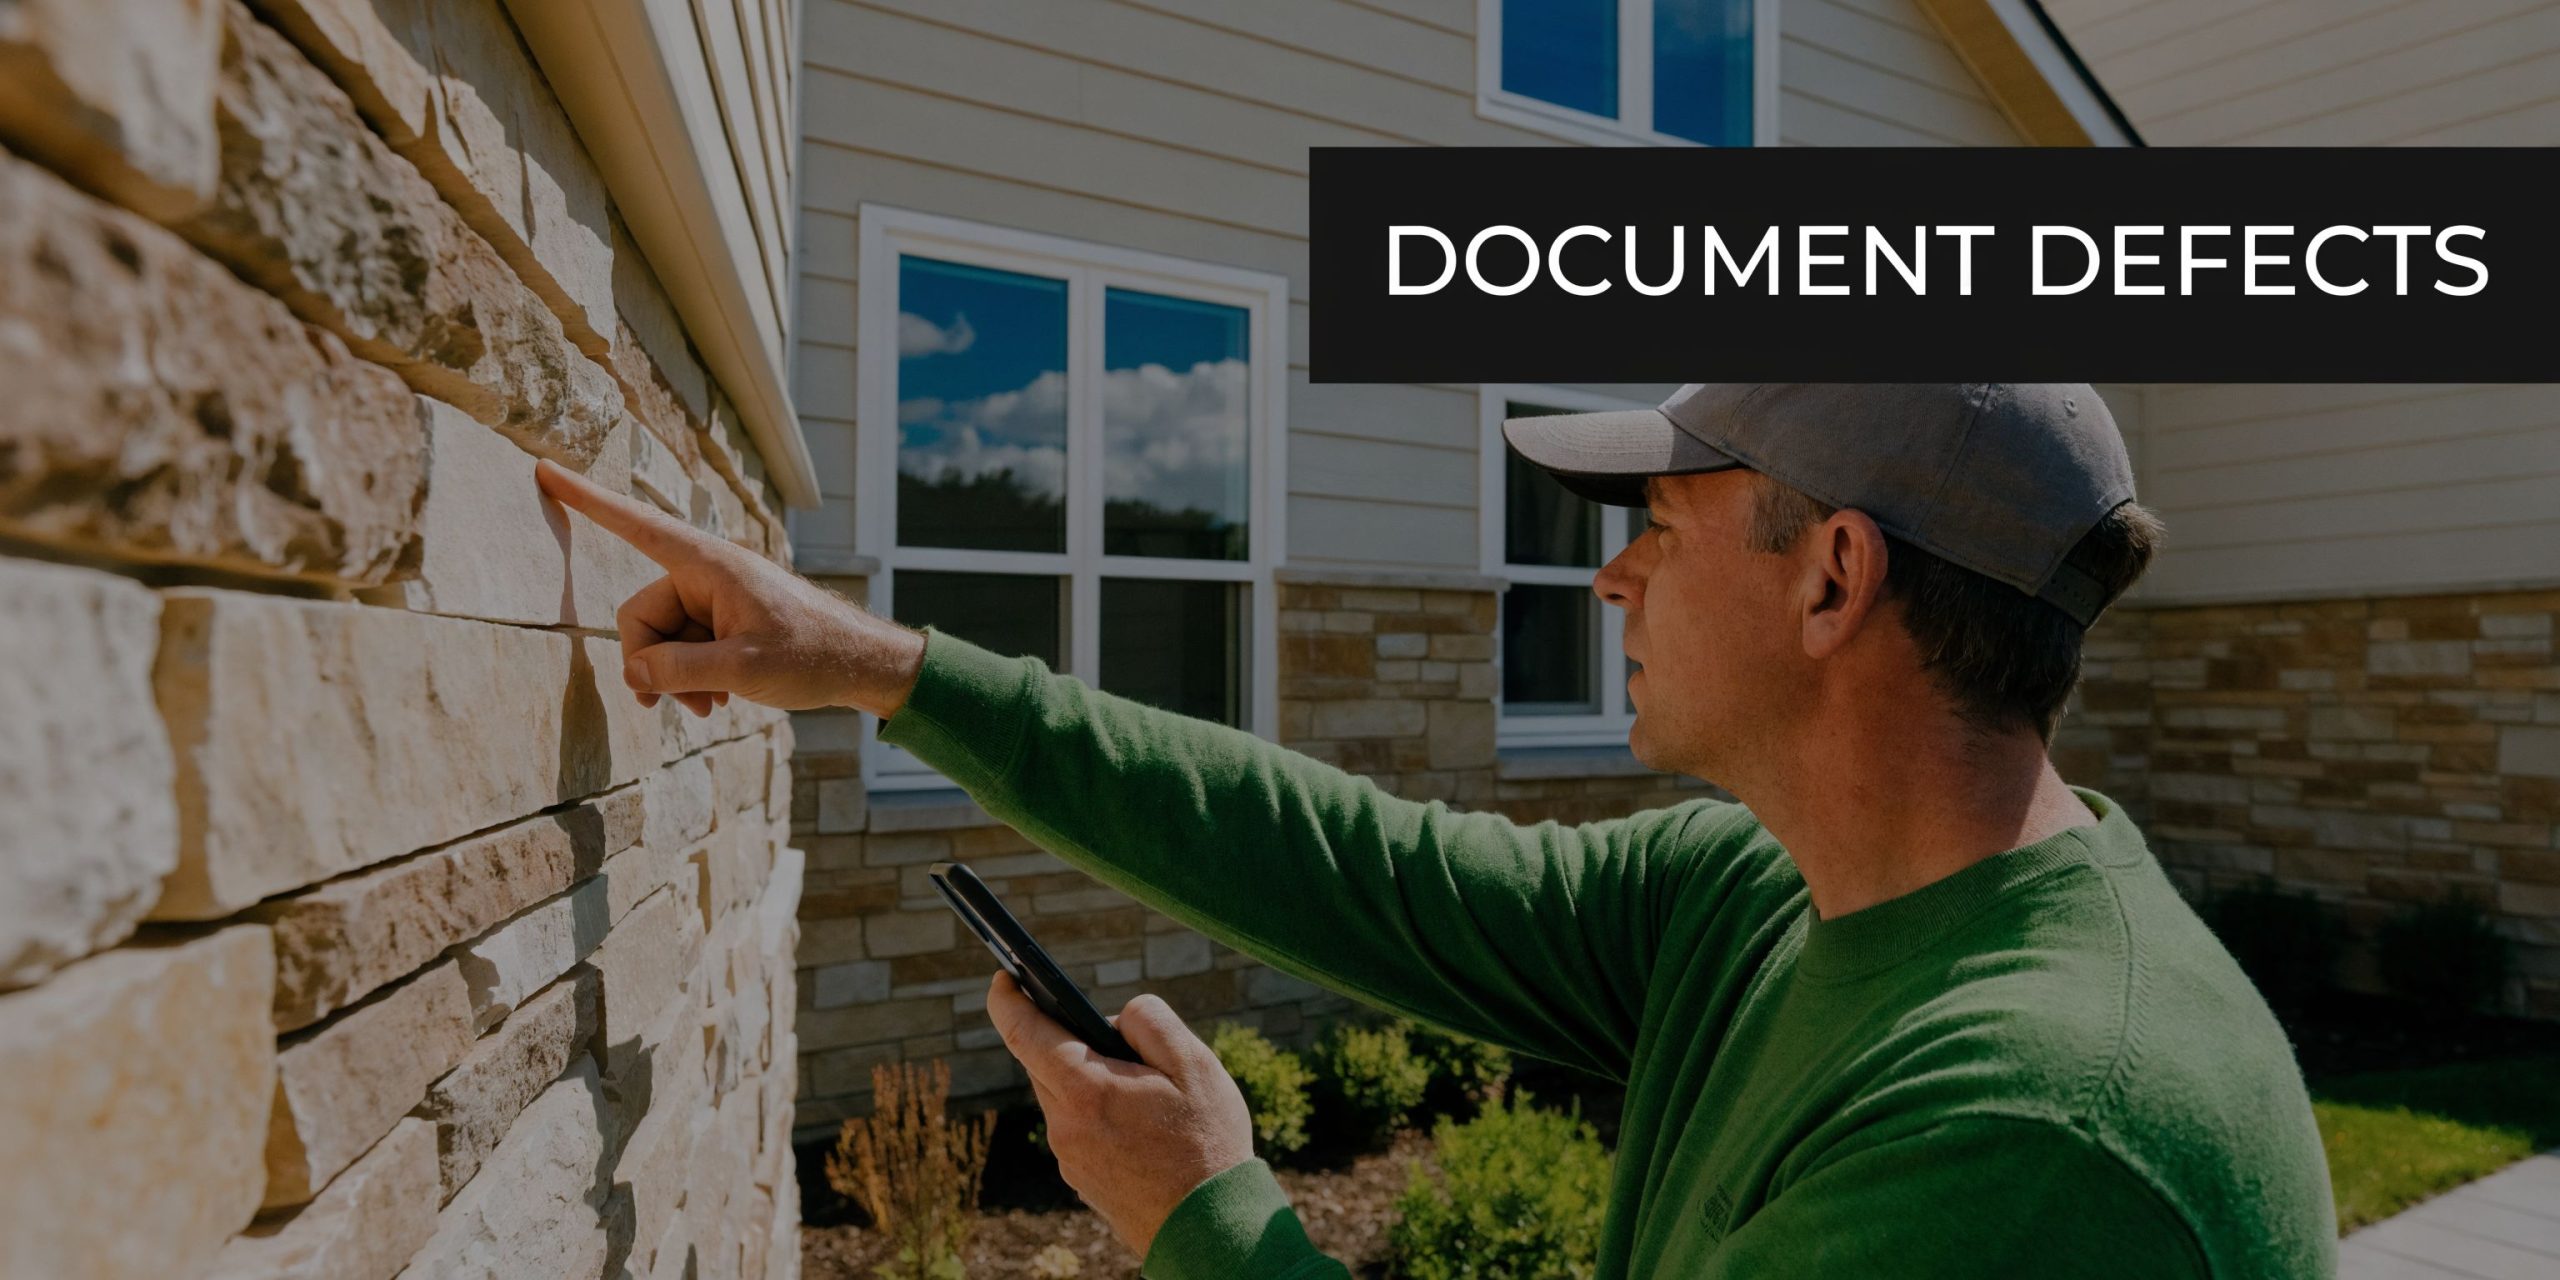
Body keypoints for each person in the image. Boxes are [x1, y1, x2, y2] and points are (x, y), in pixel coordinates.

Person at [536, 382, 2338, 1278]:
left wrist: (1208, 1215)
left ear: (1835, 576)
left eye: (1663, 519)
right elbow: (1360, 867)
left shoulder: (2031, 1137)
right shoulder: (1774, 893)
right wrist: (879, 667)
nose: (1611, 567)